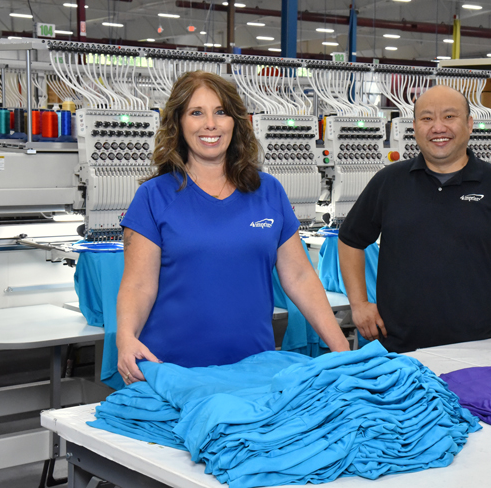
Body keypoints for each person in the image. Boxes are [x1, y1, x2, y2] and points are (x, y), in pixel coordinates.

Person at [116, 71, 350, 385]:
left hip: (255, 370)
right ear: (179, 123)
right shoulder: (154, 197)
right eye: (196, 113)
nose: (210, 124)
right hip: (173, 371)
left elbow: (299, 275)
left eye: (221, 112)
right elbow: (138, 284)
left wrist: (339, 347)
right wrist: (126, 338)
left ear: (236, 122)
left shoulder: (268, 191)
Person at [338, 85, 491, 356]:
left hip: (476, 346)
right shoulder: (389, 182)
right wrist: (359, 303)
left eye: (449, 117)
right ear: (415, 127)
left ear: (469, 124)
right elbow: (350, 240)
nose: (438, 127)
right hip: (396, 349)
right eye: (427, 118)